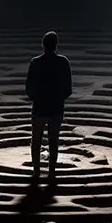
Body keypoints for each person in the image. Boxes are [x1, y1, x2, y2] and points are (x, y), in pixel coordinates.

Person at [24, 30, 72, 183]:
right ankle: (51, 173)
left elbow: (28, 88)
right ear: (56, 44)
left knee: (36, 140)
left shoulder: (36, 62)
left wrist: (37, 98)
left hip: (38, 109)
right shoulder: (63, 62)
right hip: (56, 109)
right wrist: (57, 99)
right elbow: (68, 89)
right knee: (53, 141)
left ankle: (36, 171)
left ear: (43, 44)